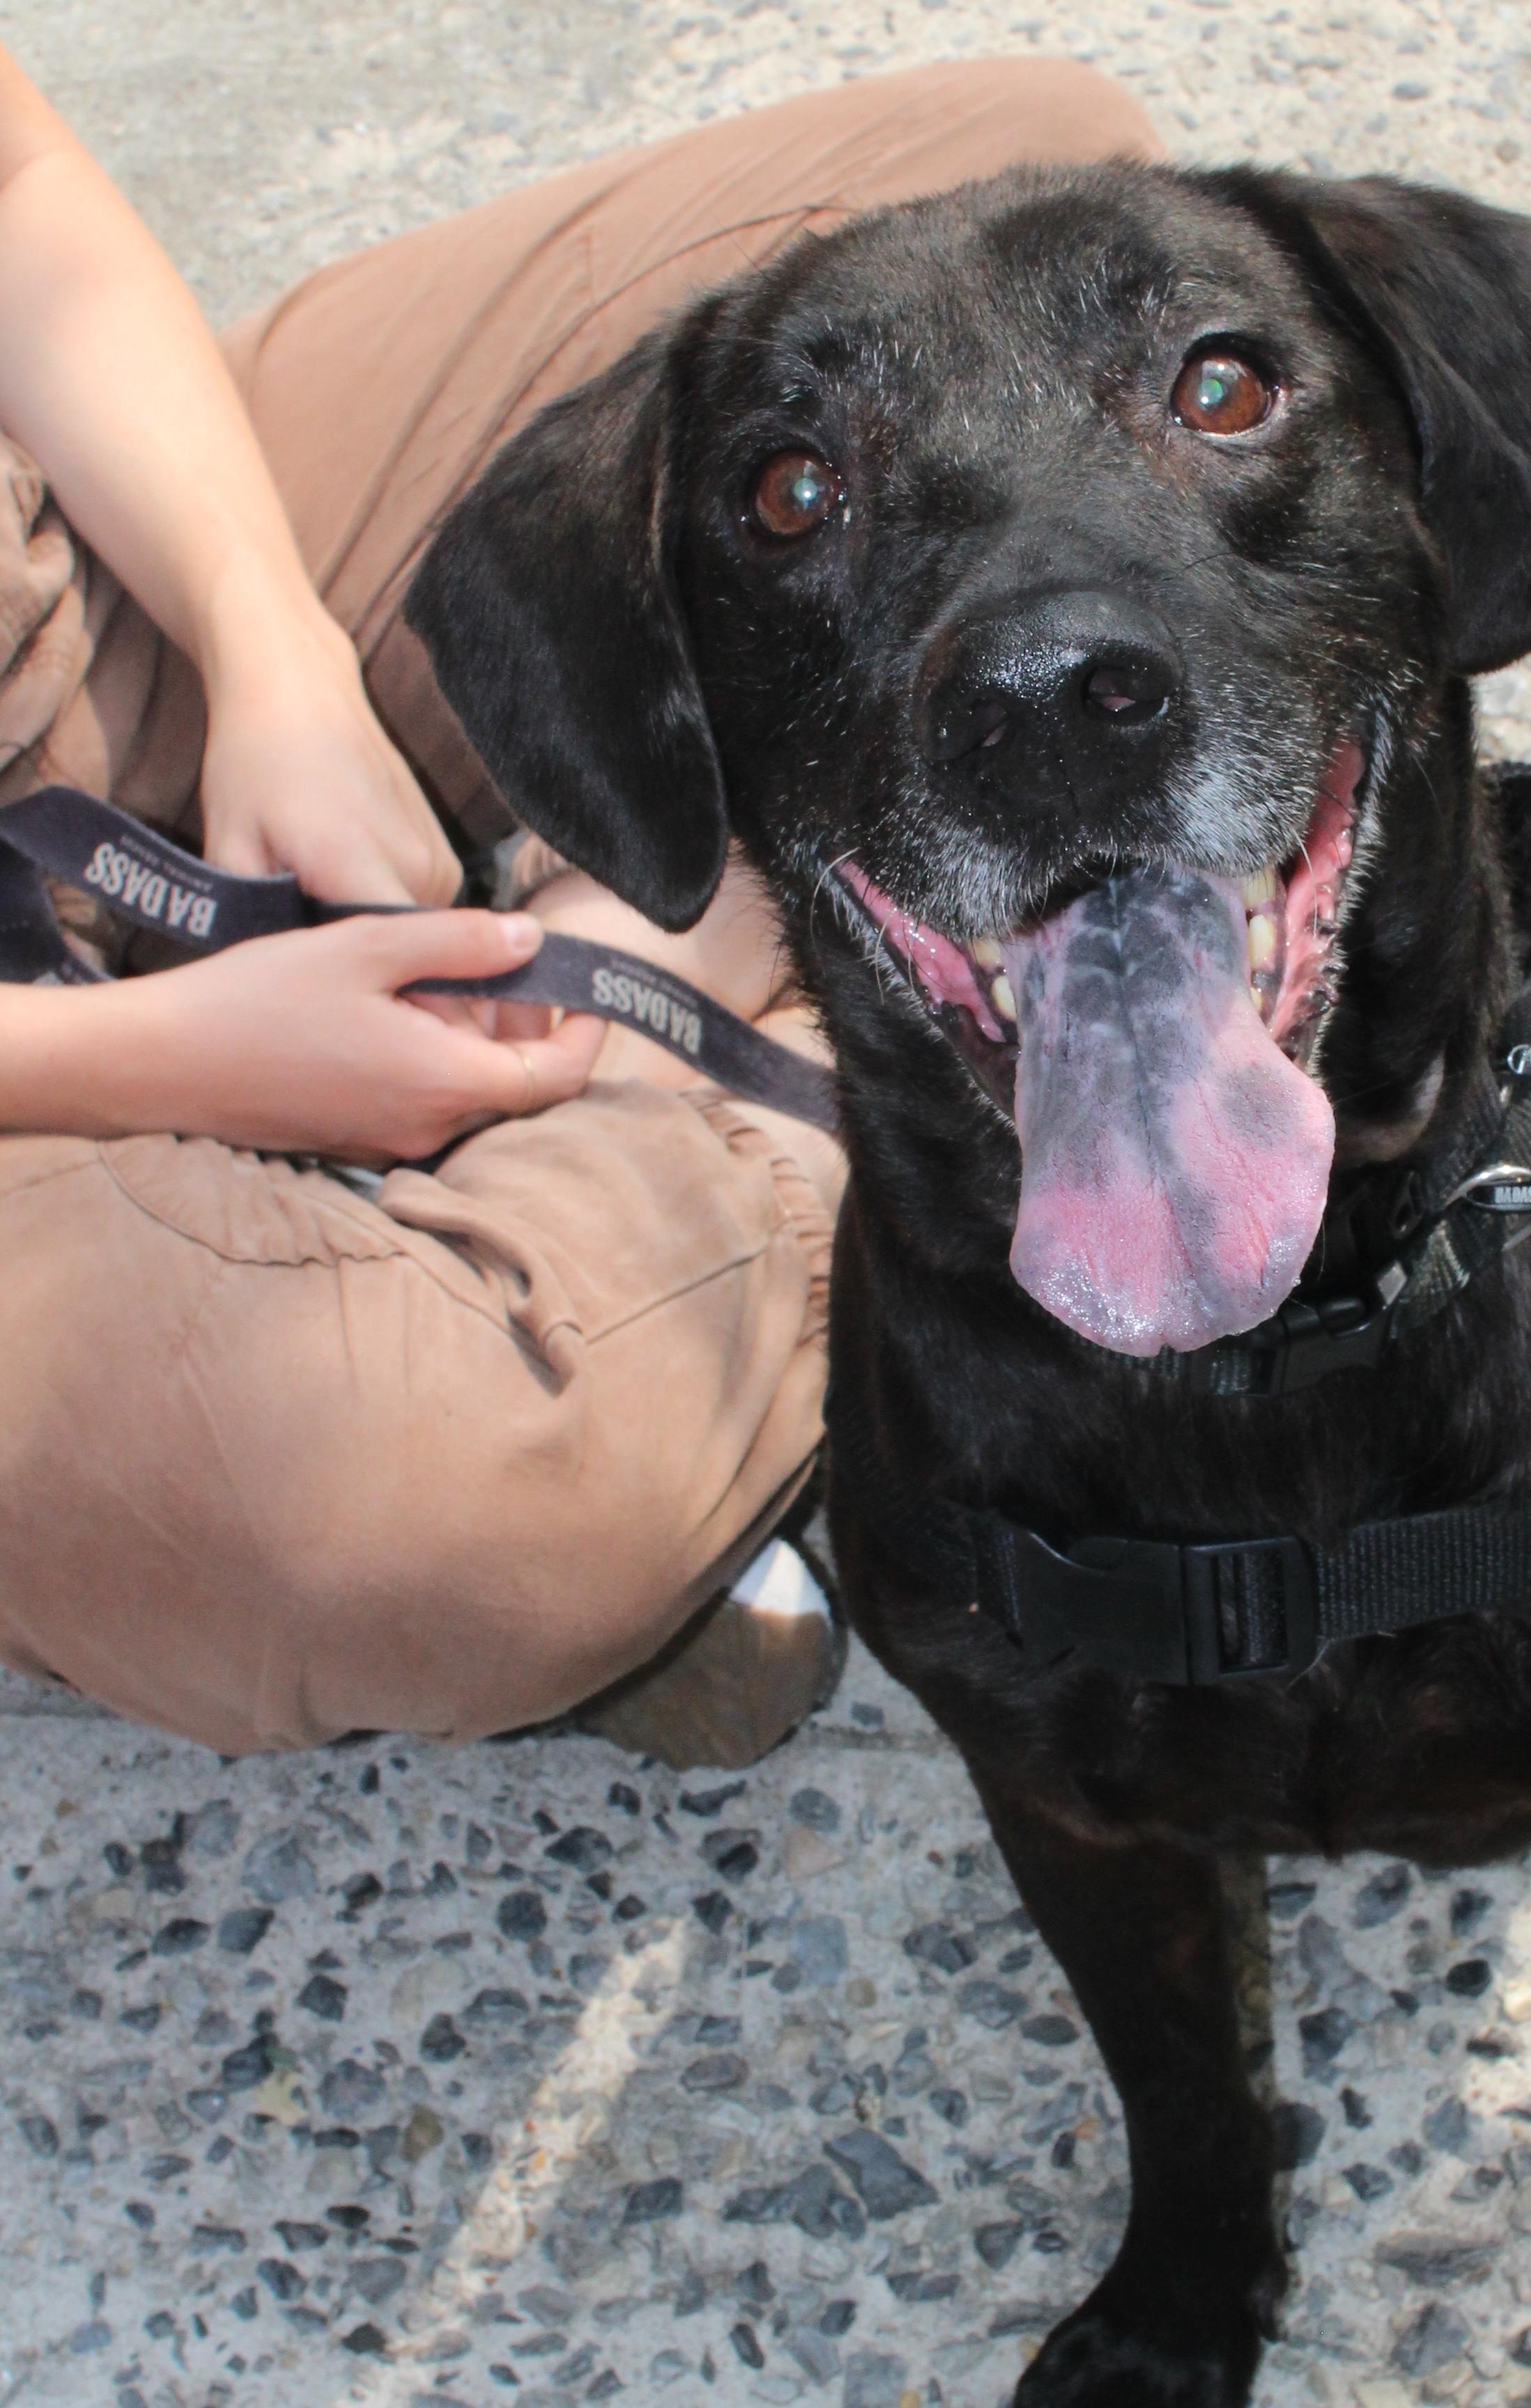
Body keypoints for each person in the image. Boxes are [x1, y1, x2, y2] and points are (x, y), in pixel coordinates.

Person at [0, 40, 1164, 1761]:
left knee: (1021, 201)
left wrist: (273, 648)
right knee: (420, 1515)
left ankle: (682, 1096)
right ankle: (763, 1075)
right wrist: (163, 1060)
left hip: (57, 615)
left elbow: (23, 212)